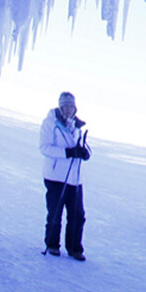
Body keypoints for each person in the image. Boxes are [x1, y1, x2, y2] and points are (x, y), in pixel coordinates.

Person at [39, 91, 90, 260]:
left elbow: (83, 146)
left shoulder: (77, 125)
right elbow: (44, 148)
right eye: (66, 106)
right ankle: (52, 244)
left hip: (74, 178)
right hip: (55, 176)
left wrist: (85, 153)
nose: (69, 109)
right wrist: (67, 153)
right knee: (55, 213)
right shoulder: (50, 123)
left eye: (71, 106)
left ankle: (75, 248)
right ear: (60, 107)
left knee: (78, 215)